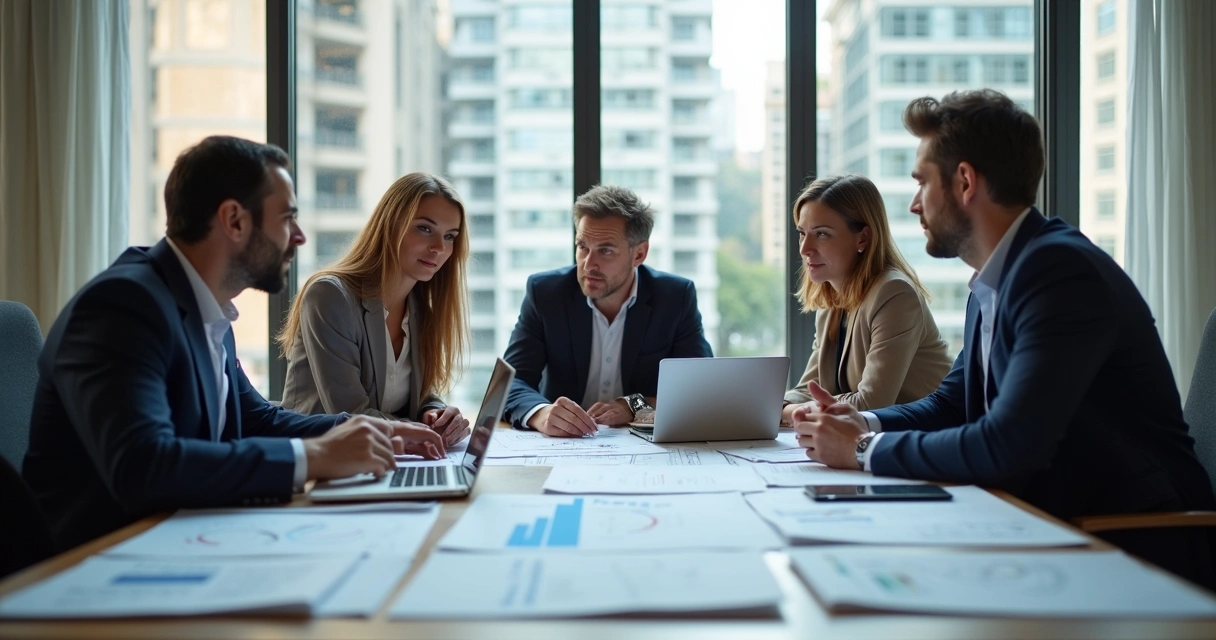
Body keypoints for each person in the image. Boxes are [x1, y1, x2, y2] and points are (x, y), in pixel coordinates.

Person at [792, 90, 1215, 587]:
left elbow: (1009, 445)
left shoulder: (1059, 272)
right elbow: (955, 404)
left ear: (965, 182)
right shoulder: (995, 280)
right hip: (1051, 521)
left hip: (1134, 544)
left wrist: (863, 449)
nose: (912, 205)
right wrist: (861, 419)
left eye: (922, 182)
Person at [23, 136, 445, 552]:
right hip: (98, 563)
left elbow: (256, 419)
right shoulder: (124, 306)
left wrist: (369, 430)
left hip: (177, 539)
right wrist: (313, 458)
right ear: (235, 220)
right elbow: (144, 466)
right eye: (286, 218)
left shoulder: (204, 305)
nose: (298, 236)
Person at [502, 184, 713, 437]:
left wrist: (633, 405)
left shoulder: (675, 298)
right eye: (583, 247)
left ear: (639, 254)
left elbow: (700, 388)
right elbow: (512, 381)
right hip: (564, 446)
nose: (589, 264)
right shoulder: (545, 293)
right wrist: (541, 412)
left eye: (605, 250)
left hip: (643, 449)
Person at [279, 173, 471, 447]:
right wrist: (419, 431)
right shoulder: (330, 296)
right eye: (424, 229)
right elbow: (349, 415)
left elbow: (416, 396)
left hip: (385, 460)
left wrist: (435, 414)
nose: (439, 248)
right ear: (390, 225)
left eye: (450, 236)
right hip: (320, 464)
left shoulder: (421, 311)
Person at [780, 174, 952, 426]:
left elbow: (872, 403)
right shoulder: (831, 301)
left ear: (862, 238)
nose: (805, 248)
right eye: (802, 233)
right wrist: (780, 404)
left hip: (926, 441)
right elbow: (810, 388)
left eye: (822, 234)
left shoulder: (894, 294)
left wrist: (789, 412)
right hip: (874, 440)